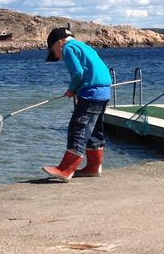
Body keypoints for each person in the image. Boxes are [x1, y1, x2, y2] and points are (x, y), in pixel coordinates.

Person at [41, 27, 113, 181]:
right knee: (94, 131)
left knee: (78, 128)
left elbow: (78, 73)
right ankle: (94, 167)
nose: (56, 56)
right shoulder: (85, 46)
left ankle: (66, 170)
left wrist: (72, 89)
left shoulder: (68, 48)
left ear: (59, 42)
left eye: (53, 51)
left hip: (91, 93)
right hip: (105, 92)